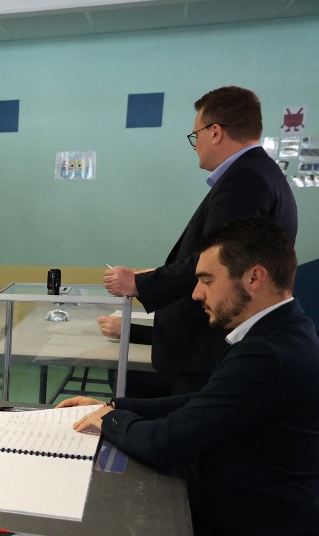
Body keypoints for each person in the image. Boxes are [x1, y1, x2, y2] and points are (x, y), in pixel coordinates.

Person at [59, 217, 319, 536]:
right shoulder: (286, 331)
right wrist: (114, 407)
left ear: (254, 278)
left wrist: (110, 422)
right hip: (257, 530)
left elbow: (166, 443)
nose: (197, 293)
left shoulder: (267, 354)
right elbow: (203, 403)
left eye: (207, 279)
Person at [104, 85, 297, 398]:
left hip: (209, 343)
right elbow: (220, 253)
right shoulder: (262, 173)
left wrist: (140, 284)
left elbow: (220, 262)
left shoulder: (244, 180)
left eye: (196, 136)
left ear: (215, 132)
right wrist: (152, 273)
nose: (195, 146)